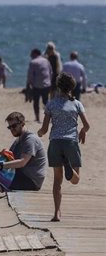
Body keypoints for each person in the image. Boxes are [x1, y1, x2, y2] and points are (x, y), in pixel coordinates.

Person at [37, 73, 90, 222]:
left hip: (55, 143)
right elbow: (87, 126)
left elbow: (45, 129)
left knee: (57, 181)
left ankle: (56, 213)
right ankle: (69, 167)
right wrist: (82, 131)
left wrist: (39, 133)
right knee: (75, 180)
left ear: (58, 87)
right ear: (72, 87)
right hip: (71, 142)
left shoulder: (51, 104)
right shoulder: (77, 104)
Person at [27, 48, 53, 122]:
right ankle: (50, 117)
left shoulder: (33, 62)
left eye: (31, 54)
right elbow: (51, 72)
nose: (30, 55)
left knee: (36, 102)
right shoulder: (46, 61)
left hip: (37, 85)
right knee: (46, 101)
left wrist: (29, 84)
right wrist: (49, 81)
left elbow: (30, 75)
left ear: (35, 54)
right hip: (47, 84)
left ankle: (37, 118)